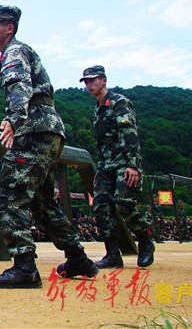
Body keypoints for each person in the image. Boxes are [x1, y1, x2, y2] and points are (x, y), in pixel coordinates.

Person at [0, 5, 97, 288]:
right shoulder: (20, 51)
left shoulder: (14, 52)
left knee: (7, 194)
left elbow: (20, 85)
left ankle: (25, 268)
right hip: (48, 131)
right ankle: (77, 258)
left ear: (10, 28)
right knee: (40, 202)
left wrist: (14, 119)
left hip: (33, 131)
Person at [79, 65, 154, 269]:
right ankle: (112, 254)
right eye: (86, 81)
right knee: (101, 206)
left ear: (103, 80)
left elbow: (129, 134)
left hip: (124, 162)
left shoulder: (119, 103)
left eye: (92, 80)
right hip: (107, 164)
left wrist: (132, 165)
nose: (89, 84)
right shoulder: (98, 107)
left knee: (124, 202)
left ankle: (145, 239)